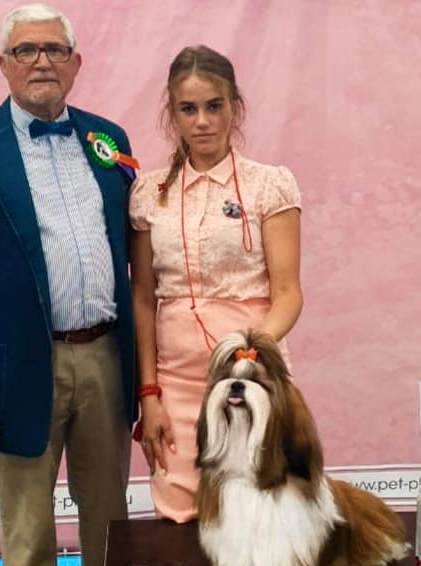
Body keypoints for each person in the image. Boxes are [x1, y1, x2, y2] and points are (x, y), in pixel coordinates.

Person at [0, 4, 137, 566]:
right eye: (26, 50)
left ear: (76, 63)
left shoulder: (108, 139)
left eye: (55, 49)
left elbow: (136, 252)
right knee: (28, 534)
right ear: (4, 64)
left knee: (111, 527)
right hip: (16, 367)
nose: (42, 61)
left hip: (106, 358)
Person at [129, 45, 303, 523]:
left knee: (262, 506)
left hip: (253, 375)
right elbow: (142, 299)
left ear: (234, 107)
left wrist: (251, 351)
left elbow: (288, 293)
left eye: (214, 106)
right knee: (179, 511)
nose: (202, 121)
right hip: (176, 383)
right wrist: (149, 394)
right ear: (172, 114)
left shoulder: (270, 186)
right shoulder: (147, 193)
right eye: (188, 109)